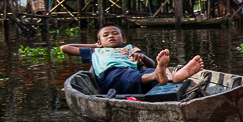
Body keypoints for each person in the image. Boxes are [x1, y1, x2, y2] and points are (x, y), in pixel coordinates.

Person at [60, 25, 204, 94]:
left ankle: (173, 77)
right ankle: (163, 76)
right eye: (106, 35)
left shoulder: (130, 48)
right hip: (111, 76)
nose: (111, 36)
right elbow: (65, 48)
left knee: (149, 70)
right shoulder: (96, 51)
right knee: (135, 75)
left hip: (134, 73)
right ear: (99, 42)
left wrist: (142, 57)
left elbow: (151, 64)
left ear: (124, 39)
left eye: (115, 34)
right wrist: (96, 45)